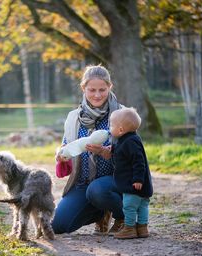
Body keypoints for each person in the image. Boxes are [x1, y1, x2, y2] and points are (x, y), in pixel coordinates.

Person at [53, 65, 125, 235]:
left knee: (98, 190)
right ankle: (101, 212)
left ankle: (124, 216)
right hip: (83, 183)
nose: (97, 95)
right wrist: (61, 154)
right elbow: (67, 145)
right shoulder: (73, 117)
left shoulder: (122, 114)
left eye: (102, 89)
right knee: (58, 226)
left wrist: (109, 153)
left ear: (110, 87)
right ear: (83, 88)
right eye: (92, 90)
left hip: (114, 182)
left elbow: (135, 155)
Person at [108, 107, 153, 239]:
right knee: (142, 206)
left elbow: (139, 162)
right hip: (142, 184)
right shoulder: (129, 139)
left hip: (134, 183)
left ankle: (129, 228)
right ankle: (142, 228)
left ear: (121, 130)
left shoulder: (130, 142)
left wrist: (138, 179)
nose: (109, 128)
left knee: (129, 206)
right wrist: (112, 150)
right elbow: (122, 153)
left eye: (111, 125)